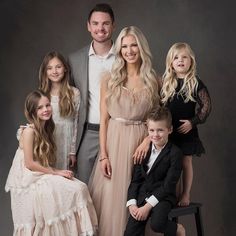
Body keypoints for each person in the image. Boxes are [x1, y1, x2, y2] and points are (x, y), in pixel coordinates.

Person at [89, 26, 160, 236]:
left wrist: (148, 139)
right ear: (119, 50)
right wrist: (104, 155)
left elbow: (159, 118)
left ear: (141, 48)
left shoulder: (153, 80)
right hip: (115, 143)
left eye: (134, 45)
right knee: (113, 202)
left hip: (143, 145)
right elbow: (103, 120)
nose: (129, 50)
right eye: (124, 46)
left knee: (140, 195)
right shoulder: (109, 79)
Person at [5, 90, 97, 235]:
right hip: (27, 179)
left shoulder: (46, 128)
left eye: (47, 105)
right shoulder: (29, 131)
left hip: (39, 172)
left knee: (80, 187)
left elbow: (41, 160)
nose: (46, 110)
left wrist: (55, 172)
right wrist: (56, 172)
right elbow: (29, 164)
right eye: (40, 107)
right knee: (76, 190)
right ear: (32, 111)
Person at [68, 3, 115, 183]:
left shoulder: (125, 57)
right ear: (88, 26)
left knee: (114, 190)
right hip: (87, 133)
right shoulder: (75, 60)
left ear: (113, 25)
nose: (100, 28)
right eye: (95, 23)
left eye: (105, 23)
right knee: (85, 188)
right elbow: (67, 100)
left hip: (117, 133)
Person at [161, 42, 211, 206]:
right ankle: (170, 194)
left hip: (186, 131)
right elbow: (160, 107)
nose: (180, 60)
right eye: (176, 57)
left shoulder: (195, 82)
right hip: (169, 131)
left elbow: (206, 106)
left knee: (185, 162)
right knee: (170, 162)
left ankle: (185, 194)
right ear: (170, 62)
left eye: (184, 57)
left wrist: (193, 122)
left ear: (191, 61)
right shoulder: (166, 82)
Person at [124, 107, 185, 236]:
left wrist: (147, 207)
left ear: (170, 130)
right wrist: (132, 204)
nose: (155, 135)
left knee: (157, 224)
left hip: (163, 196)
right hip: (142, 195)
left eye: (160, 130)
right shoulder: (142, 151)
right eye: (152, 130)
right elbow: (135, 181)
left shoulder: (175, 153)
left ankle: (177, 229)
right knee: (130, 233)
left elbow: (168, 185)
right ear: (148, 130)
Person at [39, 51, 80, 170]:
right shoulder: (42, 94)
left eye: (58, 67)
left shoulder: (74, 93)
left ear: (65, 69)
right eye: (50, 68)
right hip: (48, 140)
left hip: (66, 140)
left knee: (66, 178)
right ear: (45, 72)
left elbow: (77, 123)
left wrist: (73, 151)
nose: (54, 71)